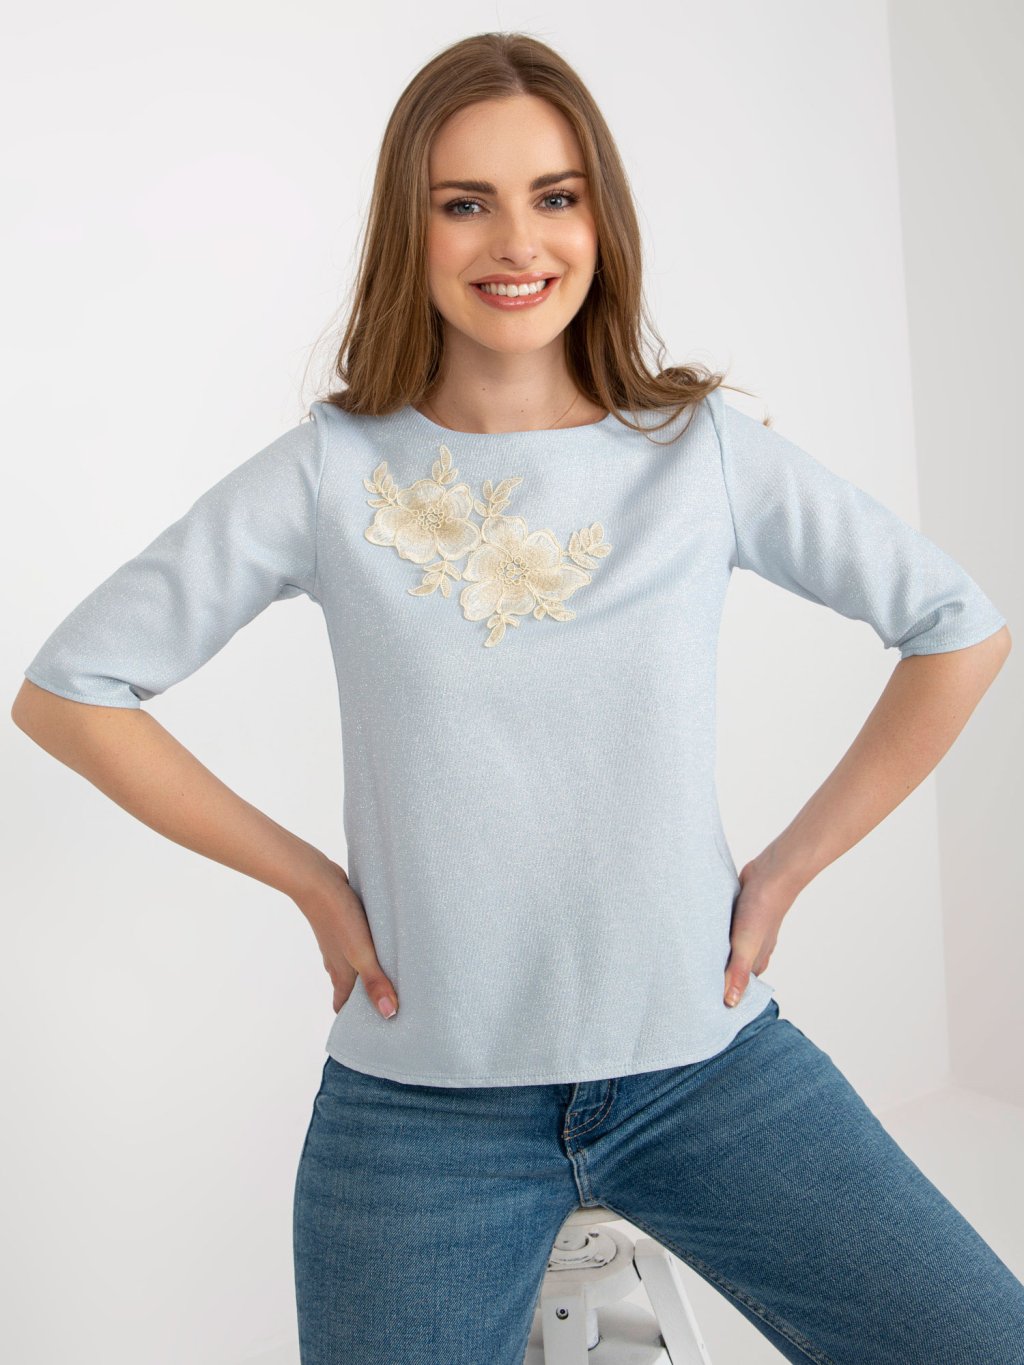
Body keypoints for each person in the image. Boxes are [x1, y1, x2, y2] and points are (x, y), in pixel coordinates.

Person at [11, 29, 1024, 1365]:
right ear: (411, 227)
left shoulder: (700, 453)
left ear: (601, 216)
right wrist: (314, 883)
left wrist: (783, 871)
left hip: (706, 1069)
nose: (517, 241)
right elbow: (70, 689)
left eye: (555, 195)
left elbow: (958, 628)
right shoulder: (329, 472)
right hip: (421, 1110)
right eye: (465, 202)